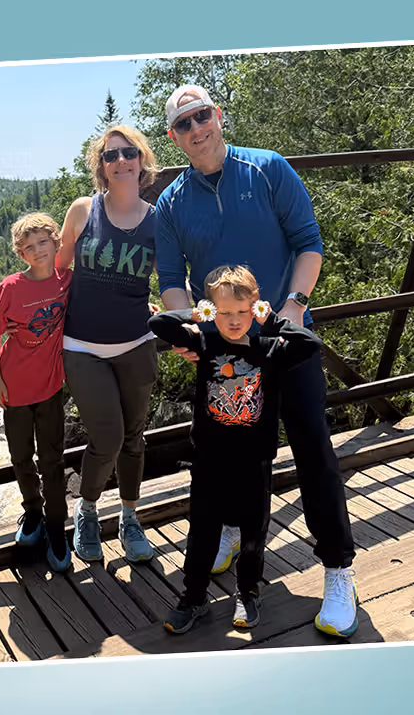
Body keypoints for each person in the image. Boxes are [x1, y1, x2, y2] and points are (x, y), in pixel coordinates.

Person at [154, 84, 359, 636]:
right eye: (183, 124)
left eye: (202, 115)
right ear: (173, 137)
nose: (196, 129)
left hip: (284, 343)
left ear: (218, 116)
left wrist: (293, 308)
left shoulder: (268, 169)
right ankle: (228, 530)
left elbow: (309, 242)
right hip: (225, 354)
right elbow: (171, 281)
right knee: (226, 452)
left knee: (312, 447)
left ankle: (338, 569)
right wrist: (192, 328)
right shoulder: (171, 203)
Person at [149, 266, 321, 633]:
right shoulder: (205, 344)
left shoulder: (270, 350)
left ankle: (248, 591)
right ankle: (193, 597)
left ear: (255, 308)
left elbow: (311, 344)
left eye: (243, 311)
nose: (233, 320)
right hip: (209, 457)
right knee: (203, 529)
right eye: (224, 312)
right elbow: (159, 323)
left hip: (254, 458)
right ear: (212, 311)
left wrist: (272, 320)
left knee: (253, 531)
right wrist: (196, 314)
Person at [54, 125, 162, 564]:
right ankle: (87, 509)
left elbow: (172, 276)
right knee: (109, 436)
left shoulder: (157, 220)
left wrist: (204, 314)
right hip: (82, 346)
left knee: (134, 437)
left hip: (136, 342)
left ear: (142, 159)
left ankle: (130, 517)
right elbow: (58, 270)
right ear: (101, 166)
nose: (121, 161)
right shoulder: (83, 211)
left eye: (128, 152)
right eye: (110, 155)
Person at [0, 212, 73, 571]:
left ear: (56, 242)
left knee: (52, 460)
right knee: (21, 457)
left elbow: (104, 301)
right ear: (20, 254)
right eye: (28, 247)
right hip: (15, 387)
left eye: (42, 242)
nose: (37, 250)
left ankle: (56, 526)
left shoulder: (68, 281)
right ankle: (33, 513)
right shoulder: (10, 288)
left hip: (51, 387)